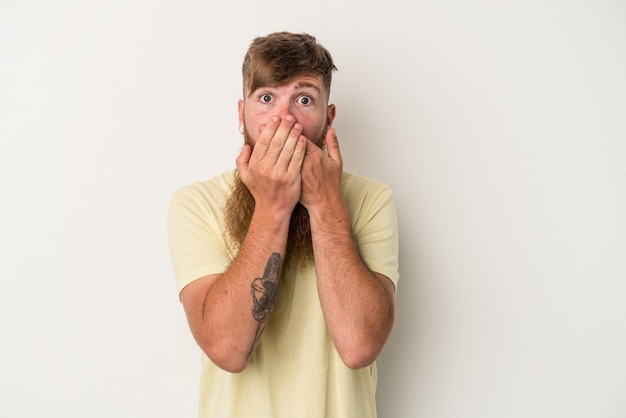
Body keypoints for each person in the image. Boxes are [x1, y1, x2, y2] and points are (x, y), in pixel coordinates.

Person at [167, 31, 399, 418]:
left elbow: (359, 346)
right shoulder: (195, 204)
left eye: (304, 99)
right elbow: (227, 349)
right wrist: (273, 207)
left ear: (329, 117)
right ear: (242, 114)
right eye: (267, 98)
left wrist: (325, 204)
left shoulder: (372, 199)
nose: (284, 118)